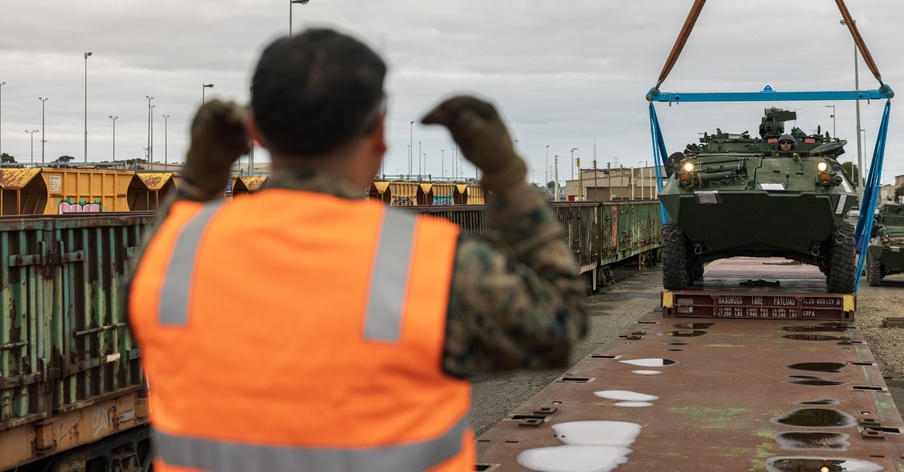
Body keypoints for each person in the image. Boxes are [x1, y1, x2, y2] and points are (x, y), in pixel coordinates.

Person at [128, 27, 588, 472]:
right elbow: (559, 326)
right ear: (380, 134)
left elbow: (161, 251)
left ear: (257, 133)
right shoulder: (433, 262)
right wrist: (506, 177)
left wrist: (199, 179)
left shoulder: (176, 252)